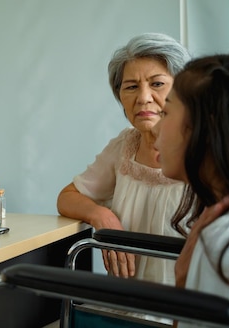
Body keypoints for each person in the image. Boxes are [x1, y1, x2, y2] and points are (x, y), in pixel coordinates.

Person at [56, 33, 191, 285]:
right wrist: (103, 217)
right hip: (126, 301)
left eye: (157, 84)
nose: (143, 97)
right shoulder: (124, 146)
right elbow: (67, 197)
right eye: (131, 86)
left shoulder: (207, 150)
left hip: (188, 308)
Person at [153, 53, 229, 321]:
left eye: (166, 111)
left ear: (207, 128)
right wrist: (184, 282)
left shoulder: (223, 246)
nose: (157, 128)